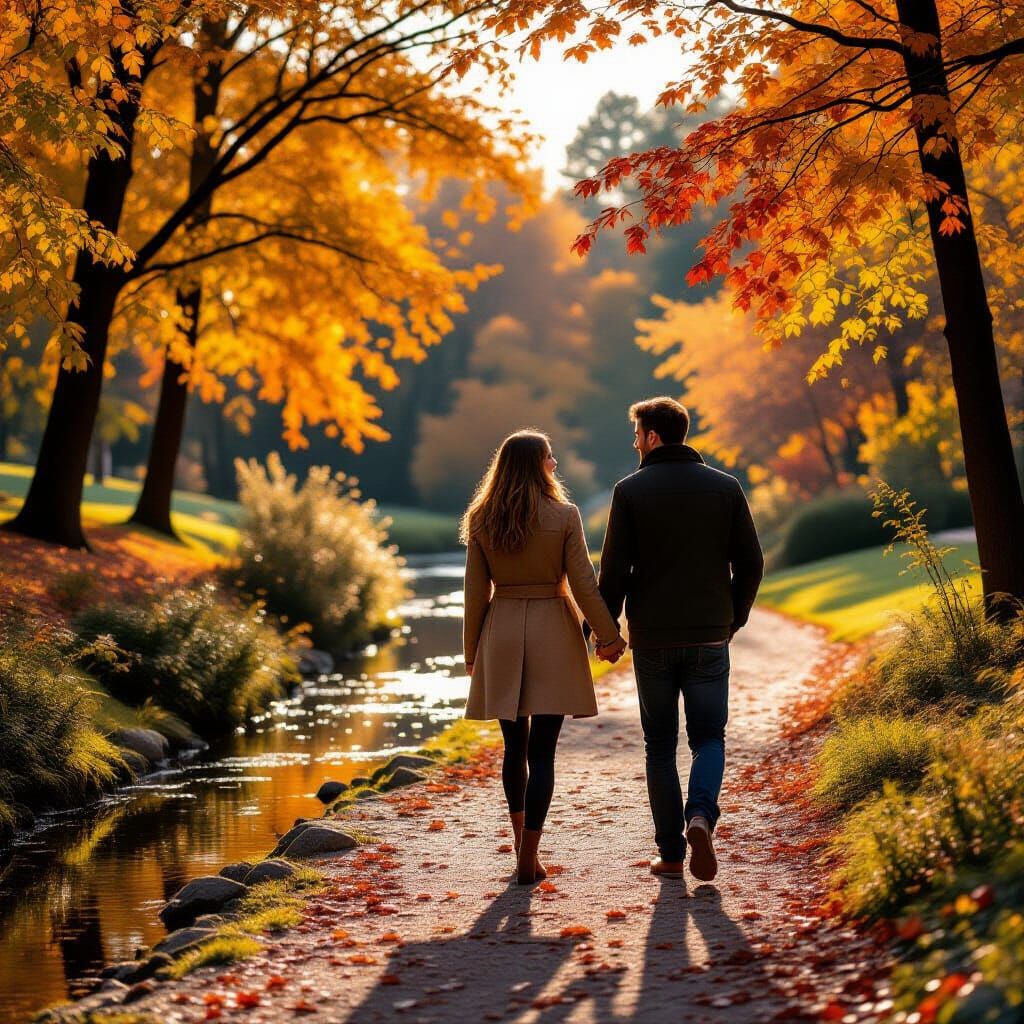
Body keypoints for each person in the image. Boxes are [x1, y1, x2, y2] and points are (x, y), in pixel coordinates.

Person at [595, 397, 764, 882]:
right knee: (709, 737)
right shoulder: (725, 487)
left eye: (637, 435)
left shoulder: (629, 491)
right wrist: (732, 618)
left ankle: (670, 854)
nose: (635, 444)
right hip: (710, 635)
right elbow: (751, 563)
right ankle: (700, 817)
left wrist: (603, 632)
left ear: (652, 437)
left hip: (653, 639)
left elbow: (614, 574)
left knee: (659, 744)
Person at [462, 430, 626, 885]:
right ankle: (528, 854)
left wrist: (471, 650)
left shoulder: (481, 518)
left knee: (514, 749)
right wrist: (610, 636)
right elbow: (583, 584)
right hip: (553, 628)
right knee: (544, 752)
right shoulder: (564, 515)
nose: (555, 464)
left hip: (503, 631)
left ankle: (520, 849)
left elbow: (475, 594)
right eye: (551, 458)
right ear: (538, 465)